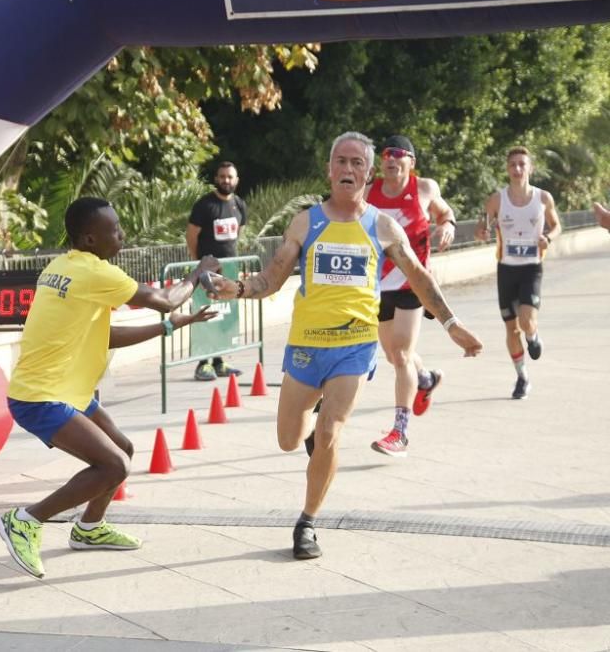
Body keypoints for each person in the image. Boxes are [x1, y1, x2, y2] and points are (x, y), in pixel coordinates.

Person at [205, 132, 482, 560]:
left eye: (357, 163)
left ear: (368, 174)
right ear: (329, 170)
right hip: (306, 346)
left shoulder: (383, 226)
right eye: (341, 161)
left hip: (355, 345)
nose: (348, 169)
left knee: (331, 431)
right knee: (287, 438)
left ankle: (307, 523)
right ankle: (314, 433)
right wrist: (237, 288)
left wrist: (452, 323)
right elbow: (271, 279)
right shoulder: (305, 222)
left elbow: (420, 277)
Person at [0, 197, 219, 578]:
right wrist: (198, 272)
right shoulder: (95, 273)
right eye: (113, 229)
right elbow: (165, 300)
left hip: (63, 389)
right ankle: (25, 520)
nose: (122, 234)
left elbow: (103, 335)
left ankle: (88, 529)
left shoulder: (63, 267)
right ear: (88, 238)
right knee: (113, 464)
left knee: (123, 449)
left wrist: (172, 326)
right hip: (41, 396)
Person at [365, 135, 457, 458]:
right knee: (394, 355)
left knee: (401, 354)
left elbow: (446, 213)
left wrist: (448, 226)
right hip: (377, 287)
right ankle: (426, 378)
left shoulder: (424, 189)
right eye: (386, 155)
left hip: (412, 285)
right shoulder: (368, 191)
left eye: (398, 155)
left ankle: (399, 432)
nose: (390, 160)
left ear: (411, 162)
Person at [475, 147, 561, 400]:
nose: (517, 169)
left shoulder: (543, 198)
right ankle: (522, 377)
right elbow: (482, 225)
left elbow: (556, 226)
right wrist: (482, 232)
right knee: (511, 330)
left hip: (532, 268)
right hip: (506, 269)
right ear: (507, 169)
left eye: (522, 164)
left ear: (530, 168)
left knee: (526, 322)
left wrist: (548, 237)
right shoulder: (496, 200)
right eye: (513, 164)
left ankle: (533, 336)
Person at [186, 161, 247, 381]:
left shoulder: (239, 204)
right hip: (207, 273)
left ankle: (220, 362)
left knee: (225, 316)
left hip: (229, 271)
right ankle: (203, 364)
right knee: (207, 315)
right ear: (216, 179)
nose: (226, 180)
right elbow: (191, 235)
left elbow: (237, 234)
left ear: (236, 180)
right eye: (222, 176)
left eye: (230, 177)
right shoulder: (204, 205)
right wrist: (198, 263)